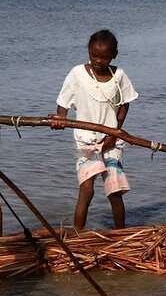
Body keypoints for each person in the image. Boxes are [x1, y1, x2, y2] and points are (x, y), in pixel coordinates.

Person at [49, 30, 139, 231]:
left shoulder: (119, 76)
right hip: (86, 141)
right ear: (88, 52)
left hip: (111, 142)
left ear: (114, 55)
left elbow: (125, 104)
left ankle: (120, 232)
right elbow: (63, 102)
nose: (98, 61)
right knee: (86, 187)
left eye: (104, 57)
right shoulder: (77, 74)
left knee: (114, 190)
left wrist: (114, 132)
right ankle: (79, 234)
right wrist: (60, 119)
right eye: (94, 56)